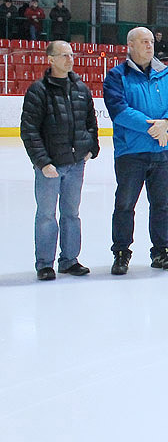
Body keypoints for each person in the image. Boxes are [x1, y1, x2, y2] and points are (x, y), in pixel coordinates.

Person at [103, 27, 168, 275]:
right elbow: (119, 110)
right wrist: (153, 127)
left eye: (151, 41)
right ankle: (121, 252)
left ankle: (161, 252)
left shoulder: (167, 74)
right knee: (125, 204)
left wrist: (167, 123)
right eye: (143, 41)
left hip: (162, 151)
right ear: (130, 45)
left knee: (161, 206)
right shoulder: (117, 76)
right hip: (131, 152)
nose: (149, 46)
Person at [20, 40, 100, 281]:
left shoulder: (81, 88)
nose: (69, 59)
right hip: (50, 166)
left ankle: (69, 260)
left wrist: (91, 149)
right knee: (46, 215)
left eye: (71, 54)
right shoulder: (38, 90)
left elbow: (91, 123)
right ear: (51, 59)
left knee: (71, 214)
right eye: (63, 55)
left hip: (76, 164)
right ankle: (45, 263)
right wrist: (43, 162)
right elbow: (29, 130)